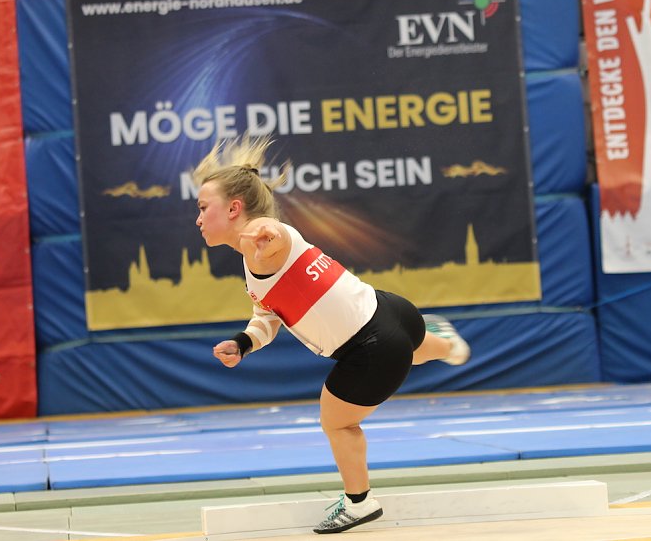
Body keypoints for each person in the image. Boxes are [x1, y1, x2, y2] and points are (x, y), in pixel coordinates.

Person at [193, 135, 471, 534]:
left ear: (234, 208)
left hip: (371, 345)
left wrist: (267, 230)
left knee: (336, 421)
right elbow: (267, 318)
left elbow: (276, 234)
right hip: (391, 311)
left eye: (204, 208)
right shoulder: (254, 266)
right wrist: (243, 342)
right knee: (413, 350)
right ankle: (447, 344)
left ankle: (359, 503)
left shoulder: (263, 240)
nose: (199, 219)